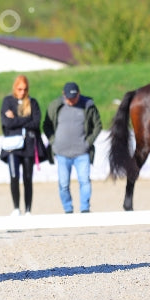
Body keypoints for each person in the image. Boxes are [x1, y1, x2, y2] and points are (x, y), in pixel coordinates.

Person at [43, 82, 102, 214]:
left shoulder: (88, 105)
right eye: (69, 98)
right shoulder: (55, 106)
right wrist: (54, 141)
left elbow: (98, 125)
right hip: (62, 153)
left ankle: (85, 208)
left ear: (79, 94)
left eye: (74, 98)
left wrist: (88, 143)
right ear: (63, 94)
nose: (71, 101)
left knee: (84, 181)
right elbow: (46, 125)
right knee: (63, 184)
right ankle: (68, 209)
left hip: (82, 153)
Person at [0, 75, 46, 216]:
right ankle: (16, 208)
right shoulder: (7, 101)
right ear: (15, 88)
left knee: (27, 178)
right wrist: (26, 120)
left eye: (25, 89)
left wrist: (16, 119)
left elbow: (36, 123)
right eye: (20, 89)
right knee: (14, 176)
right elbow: (7, 124)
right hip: (12, 146)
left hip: (29, 146)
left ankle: (28, 209)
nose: (22, 92)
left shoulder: (33, 103)